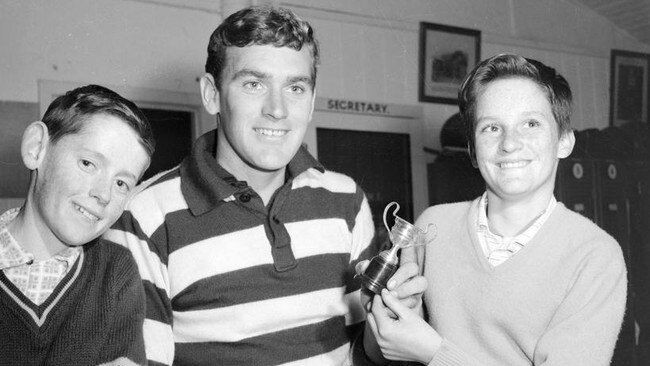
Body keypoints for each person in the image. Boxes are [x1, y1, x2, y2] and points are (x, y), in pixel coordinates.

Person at [104, 5, 425, 365]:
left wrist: (389, 326)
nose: (278, 109)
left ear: (313, 100)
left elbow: (365, 353)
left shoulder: (346, 199)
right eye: (254, 84)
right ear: (212, 94)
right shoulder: (145, 216)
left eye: (296, 87)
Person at [365, 54, 627, 365]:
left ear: (564, 141)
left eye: (530, 123)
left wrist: (436, 354)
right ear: (473, 151)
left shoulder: (594, 256)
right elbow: (380, 355)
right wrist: (379, 309)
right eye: (491, 128)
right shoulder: (433, 225)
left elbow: (426, 351)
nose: (509, 143)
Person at [0, 84, 155, 365]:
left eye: (121, 183)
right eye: (88, 163)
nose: (103, 194)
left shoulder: (116, 274)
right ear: (36, 149)